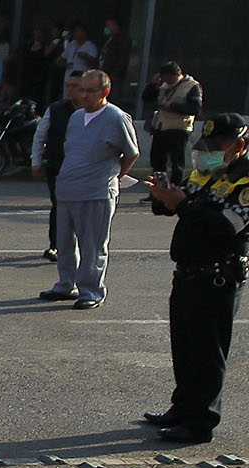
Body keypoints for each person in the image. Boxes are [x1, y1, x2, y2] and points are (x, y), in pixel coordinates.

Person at [142, 113, 249, 445]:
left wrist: (182, 204)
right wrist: (164, 197)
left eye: (215, 147)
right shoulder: (208, 174)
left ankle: (200, 421)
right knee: (185, 348)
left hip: (217, 276)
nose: (206, 154)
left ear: (239, 146)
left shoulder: (244, 181)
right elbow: (177, 205)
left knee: (207, 353)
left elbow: (224, 226)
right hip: (187, 273)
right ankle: (183, 407)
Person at [38, 69, 138, 310]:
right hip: (68, 188)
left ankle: (92, 290)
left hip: (96, 191)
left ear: (105, 92)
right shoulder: (76, 117)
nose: (83, 95)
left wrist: (117, 175)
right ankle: (66, 284)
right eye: (80, 89)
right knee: (65, 242)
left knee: (92, 244)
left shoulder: (116, 117)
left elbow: (132, 152)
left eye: (89, 91)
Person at [32, 71, 83, 262]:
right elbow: (40, 136)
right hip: (57, 166)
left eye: (75, 86)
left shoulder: (92, 111)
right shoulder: (56, 108)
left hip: (83, 169)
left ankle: (78, 244)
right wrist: (36, 162)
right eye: (68, 85)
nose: (70, 90)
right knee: (60, 205)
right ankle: (56, 245)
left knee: (80, 208)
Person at [143, 63, 202, 186]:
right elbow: (147, 99)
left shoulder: (191, 86)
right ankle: (159, 190)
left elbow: (195, 108)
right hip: (161, 127)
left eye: (170, 78)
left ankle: (176, 188)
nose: (167, 81)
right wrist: (152, 85)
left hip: (179, 129)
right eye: (165, 78)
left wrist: (173, 107)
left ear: (178, 74)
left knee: (177, 163)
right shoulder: (163, 85)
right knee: (158, 162)